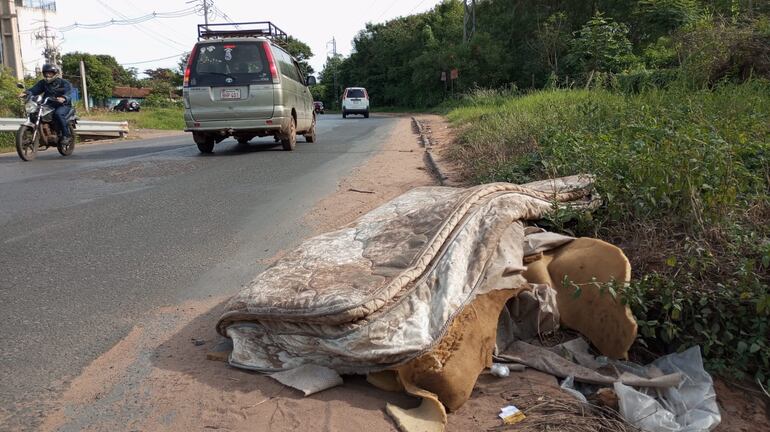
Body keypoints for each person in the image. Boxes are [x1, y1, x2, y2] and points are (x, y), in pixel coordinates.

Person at [21, 63, 74, 145]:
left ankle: (65, 136)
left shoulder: (64, 83)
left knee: (58, 114)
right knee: (35, 113)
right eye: (46, 73)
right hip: (48, 104)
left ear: (55, 73)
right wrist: (26, 93)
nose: (47, 75)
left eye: (50, 73)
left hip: (63, 105)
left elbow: (69, 92)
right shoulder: (43, 83)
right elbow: (35, 89)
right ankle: (42, 134)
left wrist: (64, 98)